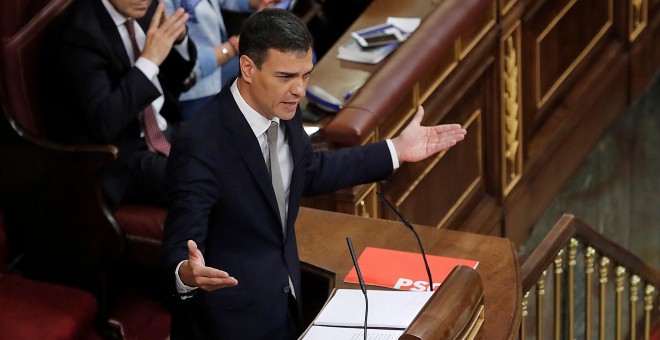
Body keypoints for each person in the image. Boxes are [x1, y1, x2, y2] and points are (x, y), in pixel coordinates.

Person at [161, 8, 467, 339]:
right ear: (248, 67)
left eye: (305, 75)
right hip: (231, 325)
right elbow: (180, 246)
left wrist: (395, 150)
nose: (300, 90)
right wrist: (186, 274)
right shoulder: (201, 144)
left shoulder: (283, 110)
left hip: (287, 304)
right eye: (286, 77)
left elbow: (311, 170)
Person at [40, 0, 196, 210]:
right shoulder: (79, 35)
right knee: (213, 180)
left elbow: (177, 77)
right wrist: (149, 61)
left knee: (242, 135)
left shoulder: (141, 6)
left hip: (162, 126)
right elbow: (104, 122)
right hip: (123, 155)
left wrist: (179, 39)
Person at [163, 0, 281, 119]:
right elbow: (179, 62)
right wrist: (233, 47)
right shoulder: (161, 6)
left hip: (218, 72)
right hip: (195, 91)